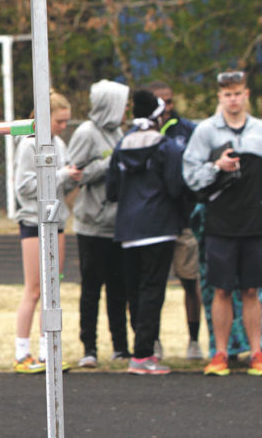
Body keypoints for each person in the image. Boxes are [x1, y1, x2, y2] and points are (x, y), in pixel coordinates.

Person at [182, 69, 262, 377]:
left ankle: (257, 352)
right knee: (222, 289)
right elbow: (190, 176)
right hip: (220, 220)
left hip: (254, 219)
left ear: (246, 95)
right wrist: (217, 166)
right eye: (227, 94)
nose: (233, 100)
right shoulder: (206, 131)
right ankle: (220, 353)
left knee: (252, 289)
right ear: (219, 97)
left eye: (238, 93)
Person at [106, 90, 186, 375]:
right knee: (153, 291)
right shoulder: (167, 147)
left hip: (128, 229)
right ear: (157, 116)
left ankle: (139, 350)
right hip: (159, 228)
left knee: (135, 292)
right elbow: (176, 187)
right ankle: (143, 354)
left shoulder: (122, 146)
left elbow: (112, 191)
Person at [12, 91, 82, 373]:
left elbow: (61, 183)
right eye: (59, 121)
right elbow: (25, 187)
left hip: (57, 221)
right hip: (33, 221)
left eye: (66, 121)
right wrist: (62, 175)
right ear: (44, 118)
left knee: (52, 289)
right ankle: (21, 353)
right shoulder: (28, 145)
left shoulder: (60, 144)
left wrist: (73, 177)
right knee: (34, 289)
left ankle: (47, 351)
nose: (63, 126)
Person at [66, 79, 131, 368]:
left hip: (117, 224)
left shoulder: (117, 132)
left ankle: (120, 346)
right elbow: (75, 173)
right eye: (123, 104)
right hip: (92, 224)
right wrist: (110, 164)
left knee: (119, 289)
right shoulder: (86, 133)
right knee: (91, 288)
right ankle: (89, 348)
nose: (126, 110)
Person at [148, 80, 203, 361]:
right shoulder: (142, 132)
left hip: (183, 220)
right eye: (161, 103)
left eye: (170, 101)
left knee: (190, 281)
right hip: (154, 223)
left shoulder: (188, 130)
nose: (167, 108)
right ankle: (153, 340)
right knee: (154, 285)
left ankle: (194, 340)